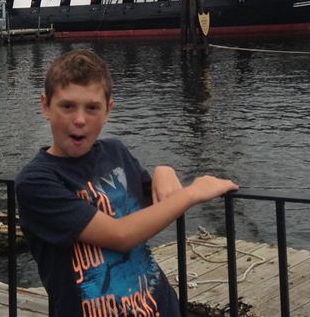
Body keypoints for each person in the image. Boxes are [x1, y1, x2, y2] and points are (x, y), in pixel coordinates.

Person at [15, 49, 237, 316]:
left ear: (108, 110)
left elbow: (157, 201)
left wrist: (163, 171)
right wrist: (194, 193)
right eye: (67, 106)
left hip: (160, 307)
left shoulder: (116, 152)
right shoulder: (36, 182)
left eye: (92, 108)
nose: (80, 120)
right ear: (45, 106)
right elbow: (121, 235)